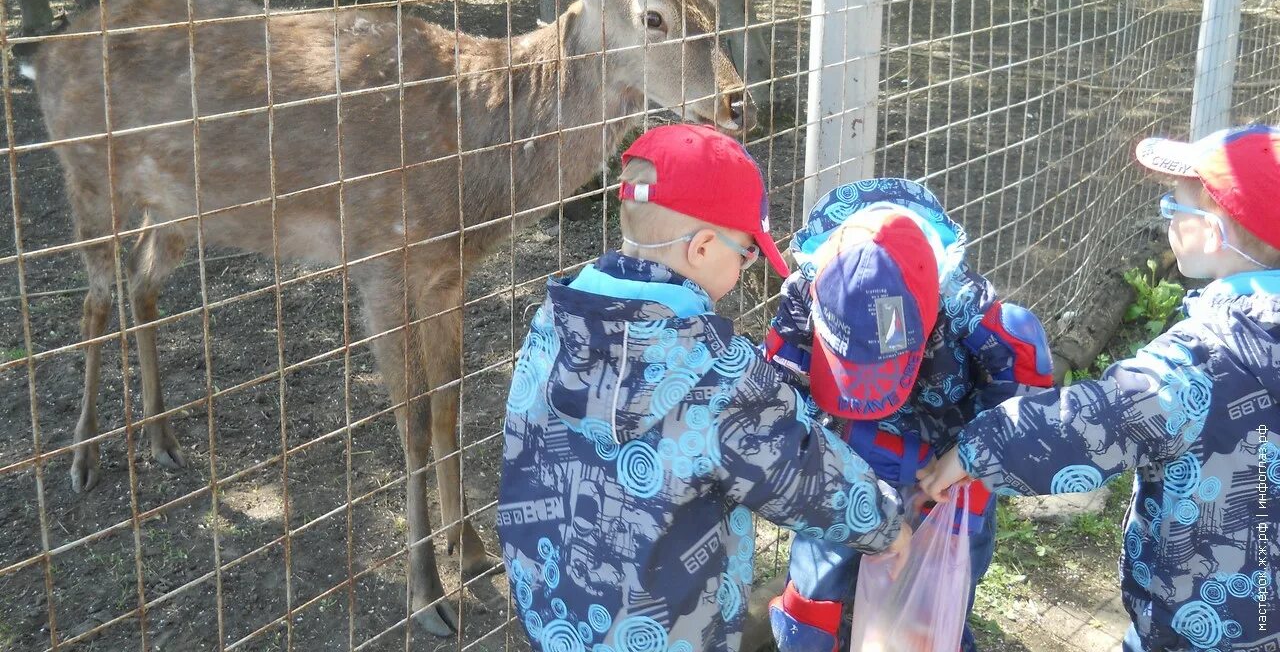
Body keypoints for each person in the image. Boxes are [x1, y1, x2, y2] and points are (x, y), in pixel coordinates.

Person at [498, 125, 910, 652]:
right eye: (746, 254)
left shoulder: (552, 321)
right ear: (703, 247)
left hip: (555, 616)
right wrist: (889, 525)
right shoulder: (718, 371)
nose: (745, 267)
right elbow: (802, 471)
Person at [919, 125, 1280, 652]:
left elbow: (1096, 420)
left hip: (1201, 620)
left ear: (1214, 227)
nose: (1169, 220)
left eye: (1172, 206)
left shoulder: (1203, 358)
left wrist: (980, 447)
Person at [764, 179, 1054, 652]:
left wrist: (973, 458)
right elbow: (776, 385)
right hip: (846, 455)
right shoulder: (811, 286)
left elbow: (1026, 393)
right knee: (816, 583)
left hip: (947, 466)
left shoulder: (967, 307)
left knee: (942, 585)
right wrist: (806, 462)